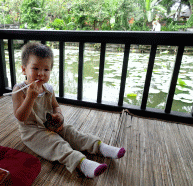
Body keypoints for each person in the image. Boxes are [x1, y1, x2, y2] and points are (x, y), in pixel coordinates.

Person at [12, 42, 126, 178]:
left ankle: (100, 147)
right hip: (32, 132)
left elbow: (55, 106)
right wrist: (30, 98)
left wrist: (59, 115)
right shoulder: (19, 90)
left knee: (72, 132)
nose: (41, 74)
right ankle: (81, 163)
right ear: (24, 69)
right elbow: (21, 117)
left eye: (46, 70)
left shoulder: (48, 89)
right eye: (35, 68)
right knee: (56, 143)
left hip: (49, 124)